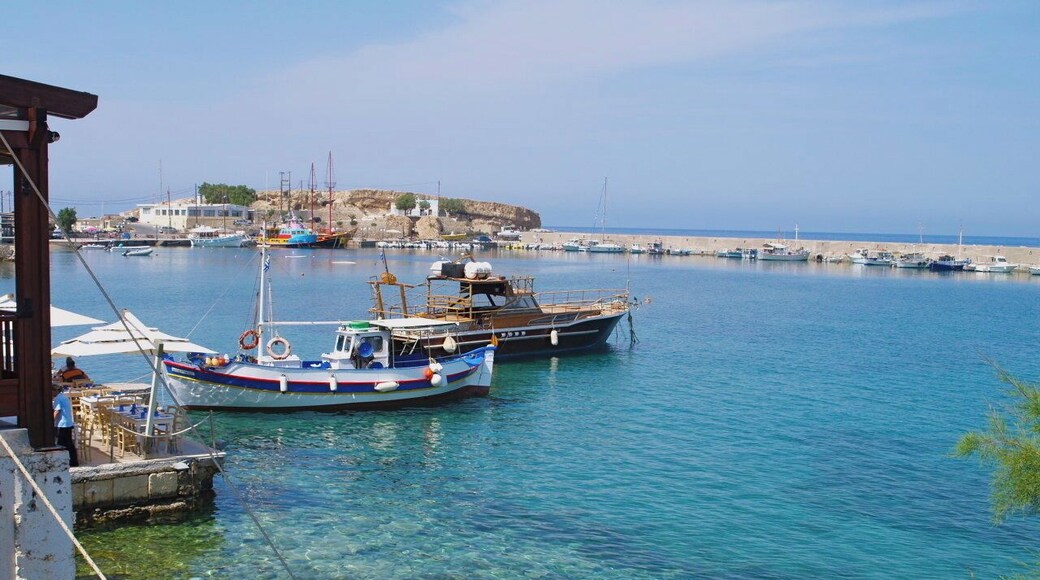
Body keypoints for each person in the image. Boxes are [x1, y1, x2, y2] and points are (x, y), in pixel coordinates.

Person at [52, 383, 79, 467]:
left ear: (55, 391)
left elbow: (57, 411)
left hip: (62, 424)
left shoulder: (57, 398)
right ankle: (74, 461)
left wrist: (51, 420)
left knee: (61, 443)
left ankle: (63, 462)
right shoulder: (64, 396)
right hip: (68, 422)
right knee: (69, 443)